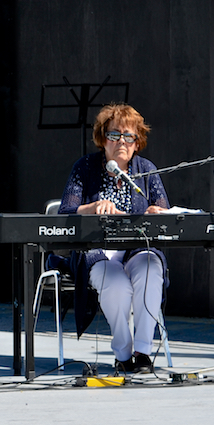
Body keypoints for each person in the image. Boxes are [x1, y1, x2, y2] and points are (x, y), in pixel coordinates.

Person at [58, 103, 170, 373]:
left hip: (135, 248)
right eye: (114, 134)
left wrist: (157, 211)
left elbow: (165, 211)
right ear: (102, 138)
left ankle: (143, 352)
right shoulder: (84, 168)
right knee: (117, 285)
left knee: (151, 269)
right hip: (98, 251)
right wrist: (92, 208)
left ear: (137, 141)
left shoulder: (145, 169)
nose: (122, 141)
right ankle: (123, 353)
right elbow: (65, 212)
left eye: (129, 136)